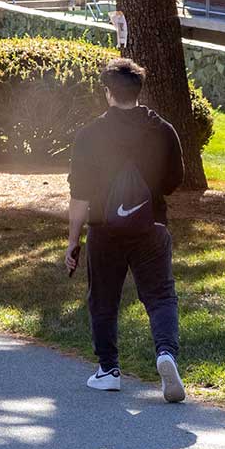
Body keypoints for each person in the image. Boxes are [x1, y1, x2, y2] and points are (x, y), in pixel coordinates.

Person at [65, 57, 187, 403]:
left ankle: (108, 370)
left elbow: (79, 195)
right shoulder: (162, 129)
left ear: (108, 93)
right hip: (152, 227)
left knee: (103, 298)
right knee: (161, 296)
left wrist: (73, 242)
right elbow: (175, 181)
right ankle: (165, 354)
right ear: (139, 91)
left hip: (104, 229)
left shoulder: (90, 135)